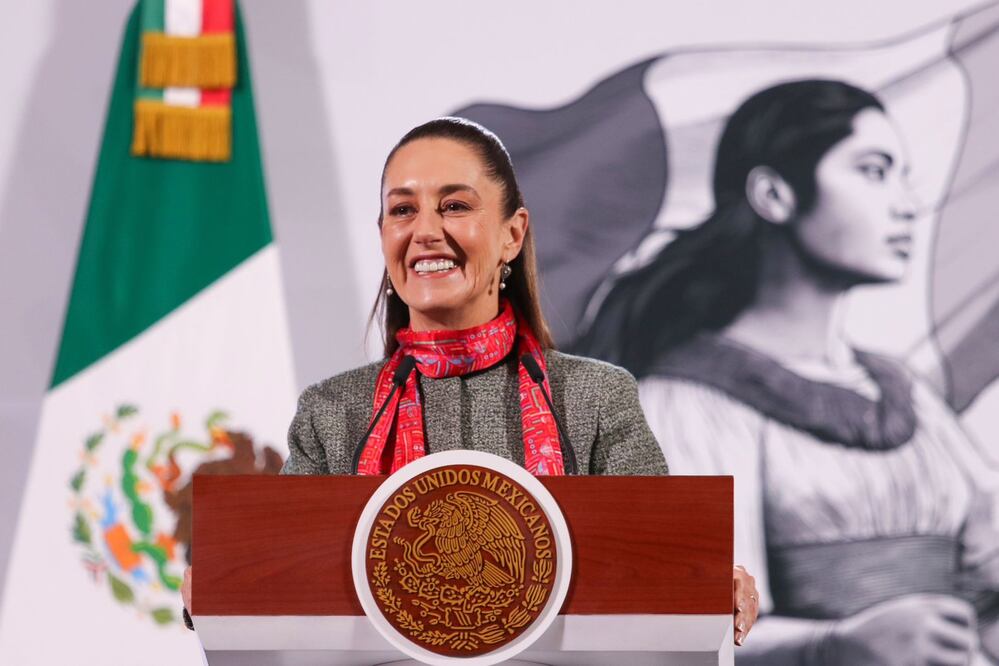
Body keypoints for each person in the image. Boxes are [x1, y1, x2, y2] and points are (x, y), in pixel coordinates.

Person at [182, 116, 759, 644]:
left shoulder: (596, 398)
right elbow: (285, 587)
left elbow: (659, 566)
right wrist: (222, 585)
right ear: (383, 234)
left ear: (513, 233)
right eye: (402, 210)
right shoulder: (331, 412)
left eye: (454, 206)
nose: (425, 231)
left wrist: (710, 583)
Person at [576, 79, 999, 664]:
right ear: (774, 195)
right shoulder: (682, 405)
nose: (905, 204)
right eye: (874, 172)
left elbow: (987, 582)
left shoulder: (907, 397)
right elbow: (674, 634)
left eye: (902, 177)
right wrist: (834, 645)